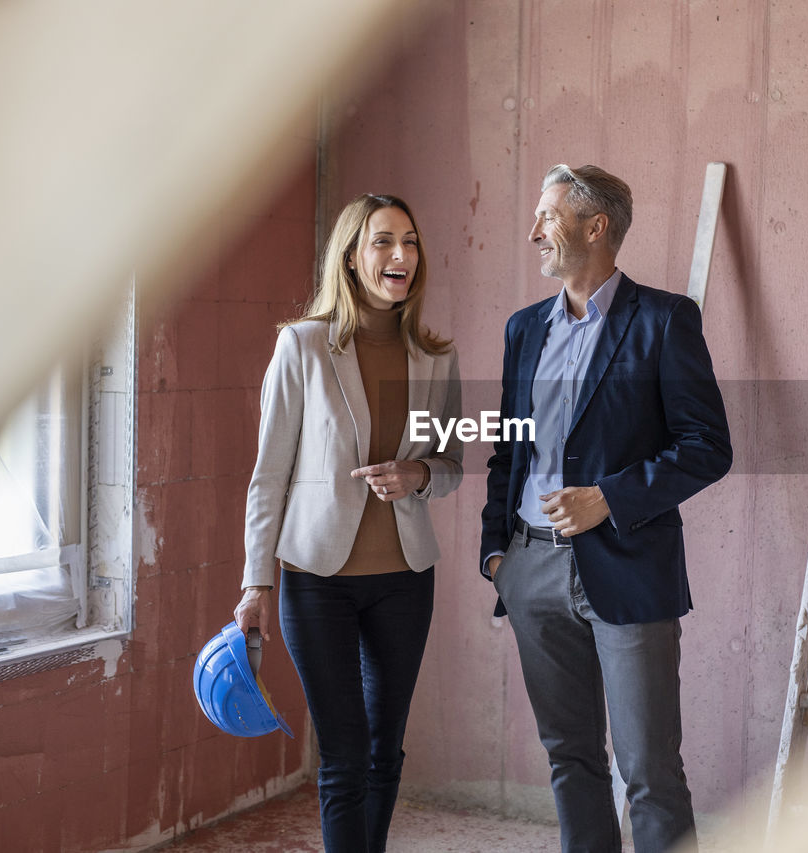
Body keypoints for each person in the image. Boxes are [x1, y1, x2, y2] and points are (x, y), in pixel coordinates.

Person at [480, 164, 733, 853]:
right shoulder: (523, 330)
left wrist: (609, 499)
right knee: (571, 759)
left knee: (649, 769)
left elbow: (708, 445)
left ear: (596, 227)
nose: (534, 231)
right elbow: (511, 451)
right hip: (530, 568)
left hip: (627, 568)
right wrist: (498, 553)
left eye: (548, 217)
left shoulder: (664, 321)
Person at [235, 193, 463, 853]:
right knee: (342, 755)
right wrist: (257, 582)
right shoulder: (302, 345)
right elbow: (268, 472)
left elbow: (449, 462)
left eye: (411, 241)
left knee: (383, 749)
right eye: (383, 241)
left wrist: (418, 475)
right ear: (352, 256)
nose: (401, 255)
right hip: (316, 579)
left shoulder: (435, 356)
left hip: (405, 577)